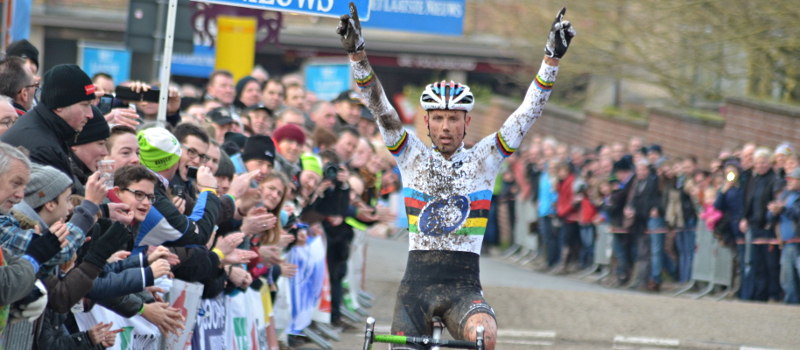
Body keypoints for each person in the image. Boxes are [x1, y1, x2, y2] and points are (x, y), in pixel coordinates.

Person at [336, 4, 575, 349]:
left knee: (485, 337)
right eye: (438, 119)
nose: (446, 127)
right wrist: (357, 55)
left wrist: (551, 60)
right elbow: (380, 108)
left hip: (464, 286)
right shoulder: (411, 155)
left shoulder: (486, 158)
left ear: (467, 123)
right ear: (427, 123)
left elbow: (527, 113)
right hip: (415, 286)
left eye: (453, 118)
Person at [1, 64, 96, 177]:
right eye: (84, 105)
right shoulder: (43, 148)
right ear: (59, 105)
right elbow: (63, 193)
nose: (90, 115)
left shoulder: (46, 130)